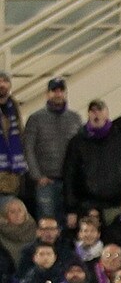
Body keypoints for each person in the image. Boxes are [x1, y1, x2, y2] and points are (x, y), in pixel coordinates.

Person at [62, 100, 121, 228]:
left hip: (116, 204)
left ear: (106, 113)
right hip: (86, 206)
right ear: (88, 114)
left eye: (99, 110)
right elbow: (69, 176)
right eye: (93, 111)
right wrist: (71, 209)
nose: (96, 114)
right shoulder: (77, 142)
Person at [23, 76, 82, 225]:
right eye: (54, 90)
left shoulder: (75, 118)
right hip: (46, 182)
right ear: (47, 94)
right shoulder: (35, 118)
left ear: (65, 93)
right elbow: (28, 148)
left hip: (70, 182)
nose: (58, 94)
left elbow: (81, 149)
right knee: (47, 223)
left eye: (61, 90)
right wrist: (37, 176)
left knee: (69, 224)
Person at [0, 70, 26, 206]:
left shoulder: (13, 105)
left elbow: (20, 132)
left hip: (12, 172)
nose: (1, 84)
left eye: (5, 81)